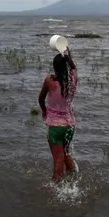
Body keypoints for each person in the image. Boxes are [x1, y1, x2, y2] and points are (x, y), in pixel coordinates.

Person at [38, 48, 79, 181]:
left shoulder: (49, 81)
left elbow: (41, 99)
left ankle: (57, 187)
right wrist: (68, 55)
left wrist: (44, 110)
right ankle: (74, 178)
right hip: (70, 126)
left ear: (55, 68)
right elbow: (73, 68)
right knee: (65, 153)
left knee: (58, 159)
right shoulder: (73, 80)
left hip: (56, 127)